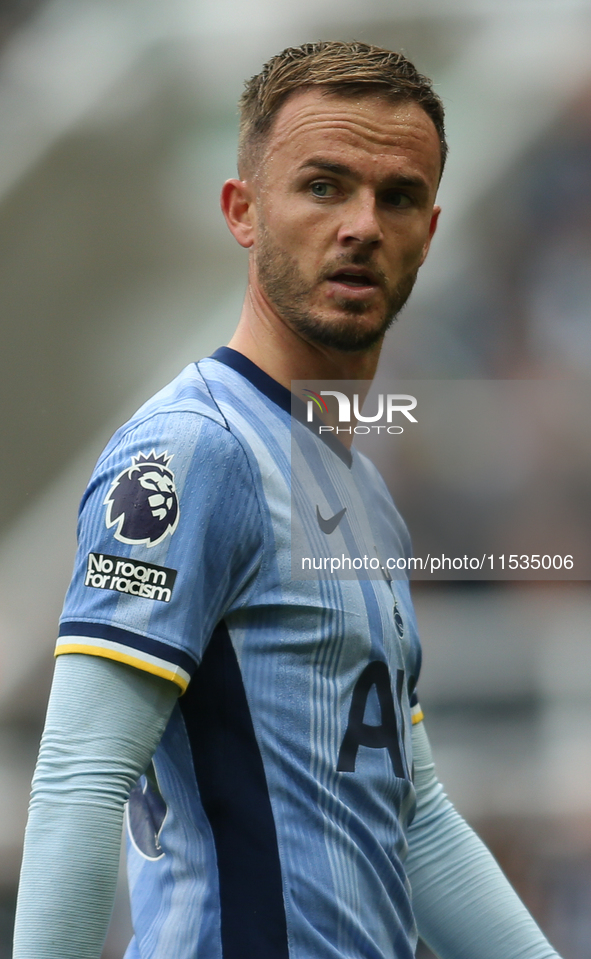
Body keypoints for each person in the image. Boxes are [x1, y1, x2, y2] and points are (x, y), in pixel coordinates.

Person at [13, 40, 561, 959]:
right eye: (322, 186)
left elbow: (413, 814)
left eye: (394, 197)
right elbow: (78, 775)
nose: (360, 225)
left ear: (430, 229)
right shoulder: (195, 449)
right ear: (243, 211)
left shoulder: (355, 487)